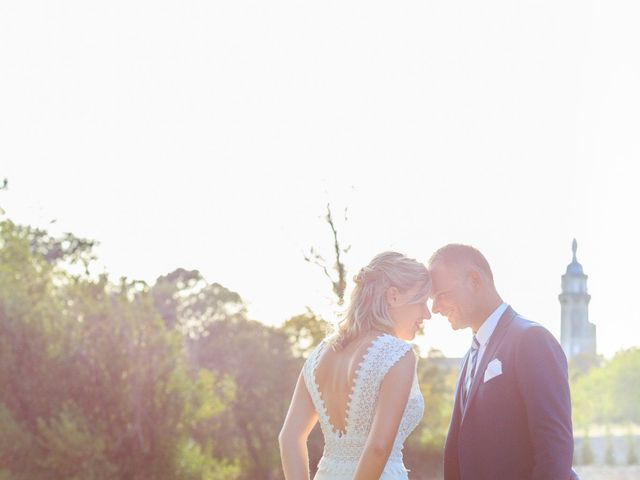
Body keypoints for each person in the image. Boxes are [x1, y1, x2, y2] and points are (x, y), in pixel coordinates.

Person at [279, 251, 431, 479]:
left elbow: (290, 437)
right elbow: (378, 447)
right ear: (394, 296)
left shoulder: (318, 355)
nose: (427, 314)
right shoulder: (397, 354)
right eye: (421, 302)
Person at [429, 244, 575, 480]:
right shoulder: (469, 357)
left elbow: (554, 448)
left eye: (441, 295)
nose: (435, 308)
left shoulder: (531, 339)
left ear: (475, 280)